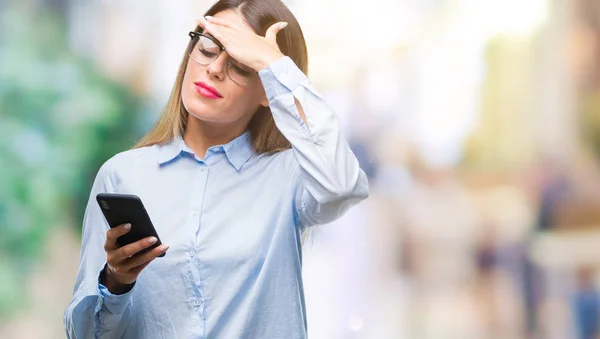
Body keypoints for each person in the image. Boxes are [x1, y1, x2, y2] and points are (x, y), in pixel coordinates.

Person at [63, 0, 368, 338]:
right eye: (208, 47)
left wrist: (274, 65)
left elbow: (344, 186)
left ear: (267, 90)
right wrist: (117, 283)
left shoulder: (289, 176)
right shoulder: (122, 175)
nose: (215, 69)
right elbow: (87, 334)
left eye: (242, 65)